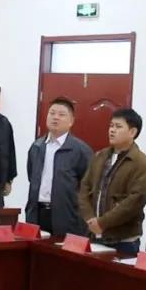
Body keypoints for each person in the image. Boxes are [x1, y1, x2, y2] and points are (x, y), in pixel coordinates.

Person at [79, 108, 146, 256]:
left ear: (132, 132)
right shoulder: (100, 156)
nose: (112, 130)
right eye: (111, 126)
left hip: (123, 241)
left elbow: (134, 201)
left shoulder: (141, 162)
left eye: (118, 127)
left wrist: (102, 223)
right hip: (93, 234)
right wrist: (89, 218)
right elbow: (84, 188)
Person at [24, 98, 93, 236]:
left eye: (61, 114)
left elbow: (89, 187)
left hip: (68, 217)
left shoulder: (81, 150)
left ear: (71, 121)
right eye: (52, 113)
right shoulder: (37, 147)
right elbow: (31, 176)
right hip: (37, 214)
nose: (55, 117)